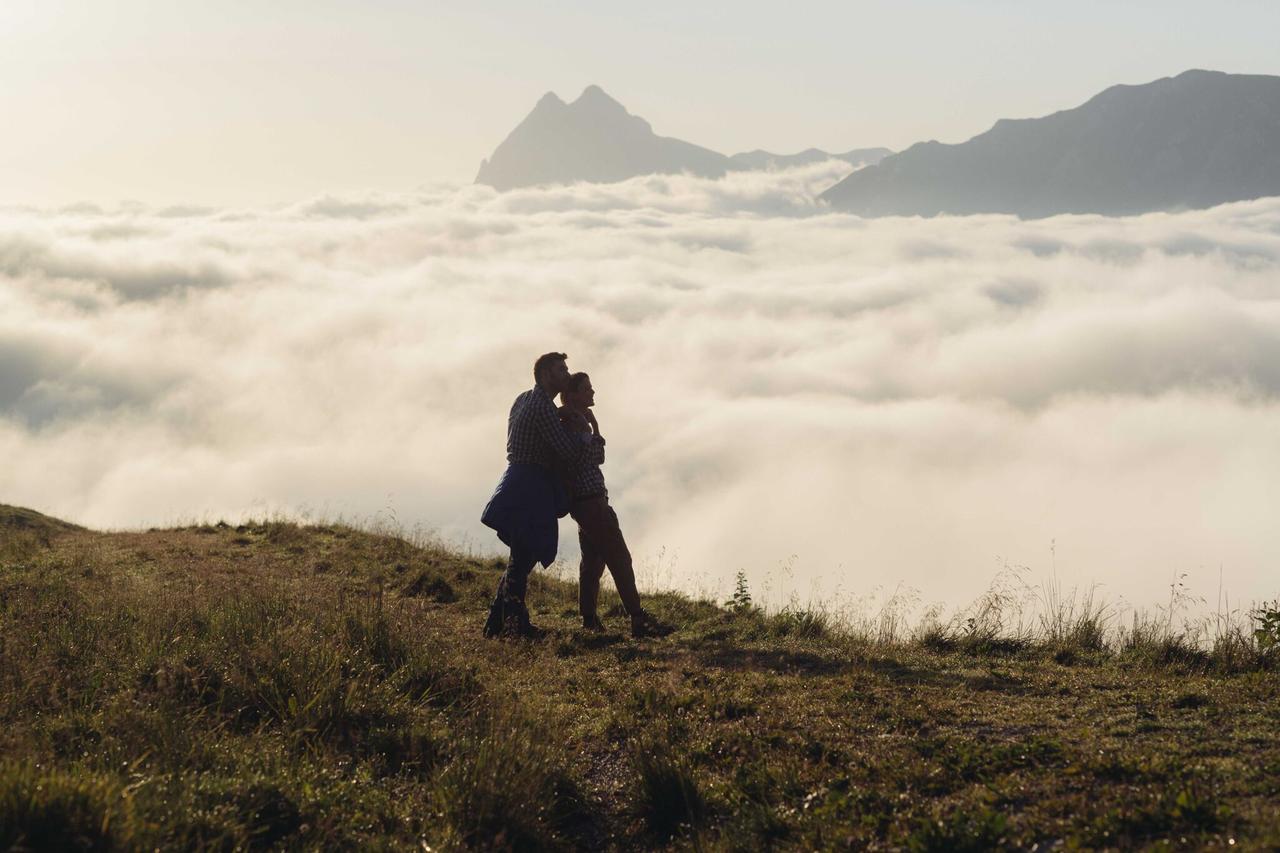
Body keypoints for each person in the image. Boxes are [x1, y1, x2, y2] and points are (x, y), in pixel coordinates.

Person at [481, 352, 604, 638]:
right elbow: (568, 451)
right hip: (531, 484)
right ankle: (513, 625)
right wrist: (584, 429)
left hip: (517, 480)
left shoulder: (525, 399)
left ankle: (499, 622)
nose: (567, 375)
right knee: (523, 556)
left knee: (521, 555)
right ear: (547, 374)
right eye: (562, 370)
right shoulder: (542, 406)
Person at [558, 372, 673, 638]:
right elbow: (589, 458)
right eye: (586, 389)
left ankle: (589, 619)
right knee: (619, 557)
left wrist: (594, 428)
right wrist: (592, 430)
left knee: (593, 561)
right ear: (573, 395)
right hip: (592, 502)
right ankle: (637, 618)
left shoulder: (577, 422)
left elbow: (596, 457)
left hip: (585, 503)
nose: (592, 392)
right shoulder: (572, 424)